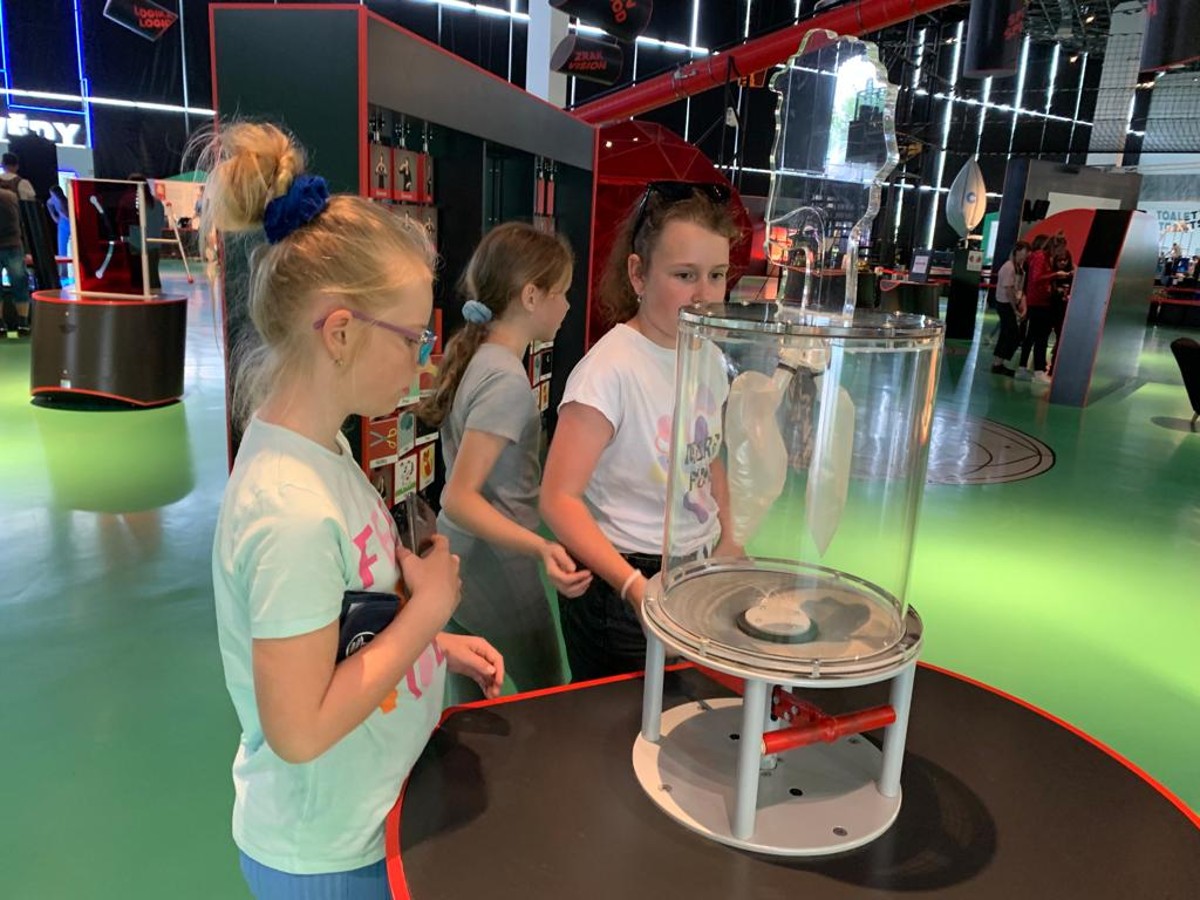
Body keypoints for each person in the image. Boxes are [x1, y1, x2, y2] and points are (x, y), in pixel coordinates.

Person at [205, 122, 503, 899]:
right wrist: (427, 614)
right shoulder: (291, 512)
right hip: (328, 856)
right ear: (340, 333)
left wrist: (430, 647)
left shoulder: (323, 451)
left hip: (370, 817)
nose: (423, 359)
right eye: (411, 339)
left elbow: (345, 624)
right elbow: (299, 729)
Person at [540, 182, 742, 682]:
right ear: (638, 273)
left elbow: (709, 454)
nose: (704, 294)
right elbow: (559, 498)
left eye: (717, 275)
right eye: (684, 275)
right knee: (622, 720)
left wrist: (730, 536)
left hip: (695, 571)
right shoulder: (609, 370)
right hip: (621, 585)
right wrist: (632, 585)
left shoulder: (709, 356)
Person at [418, 222, 592, 695]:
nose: (568, 306)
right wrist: (541, 547)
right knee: (546, 691)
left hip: (461, 559)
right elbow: (459, 498)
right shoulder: (505, 381)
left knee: (472, 695)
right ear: (531, 296)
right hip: (494, 565)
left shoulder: (482, 361)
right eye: (562, 292)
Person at [1017, 233, 1060, 383]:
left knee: (1033, 335)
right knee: (1040, 336)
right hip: (1038, 302)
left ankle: (1025, 367)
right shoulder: (1041, 258)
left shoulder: (1041, 258)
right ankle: (1038, 370)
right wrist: (1054, 275)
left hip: (1037, 301)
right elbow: (1036, 279)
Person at [0, 154, 32, 336]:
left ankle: (1, 324)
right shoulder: (21, 185)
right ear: (17, 165)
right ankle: (23, 323)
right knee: (20, 283)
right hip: (14, 243)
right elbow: (29, 215)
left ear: (2, 164)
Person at [991, 240, 1029, 377]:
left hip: (1009, 303)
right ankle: (998, 363)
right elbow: (1009, 290)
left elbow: (1017, 289)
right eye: (1024, 252)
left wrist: (1020, 305)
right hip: (1005, 303)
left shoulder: (1018, 268)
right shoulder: (1009, 267)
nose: (1026, 255)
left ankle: (998, 363)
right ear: (1017, 251)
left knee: (1007, 333)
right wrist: (1015, 309)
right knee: (1011, 333)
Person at [47, 185, 71, 280]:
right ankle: (63, 273)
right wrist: (54, 216)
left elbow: (68, 215)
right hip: (62, 224)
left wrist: (62, 215)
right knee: (62, 249)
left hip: (70, 223)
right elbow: (48, 203)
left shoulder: (64, 201)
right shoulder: (53, 200)